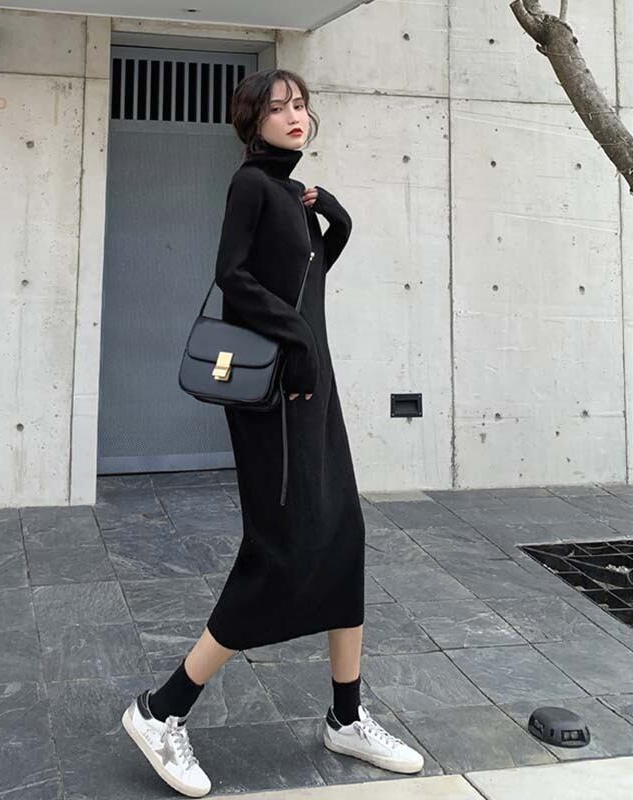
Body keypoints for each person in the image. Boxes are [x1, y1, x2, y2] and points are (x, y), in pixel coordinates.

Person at [122, 68, 424, 797]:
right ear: (251, 120)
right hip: (277, 397)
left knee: (343, 535)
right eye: (280, 106)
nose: (297, 115)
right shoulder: (251, 186)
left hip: (314, 393)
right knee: (280, 552)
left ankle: (346, 717)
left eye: (302, 105)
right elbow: (233, 276)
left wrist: (338, 220)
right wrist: (296, 340)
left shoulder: (294, 195)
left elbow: (304, 277)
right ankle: (160, 710)